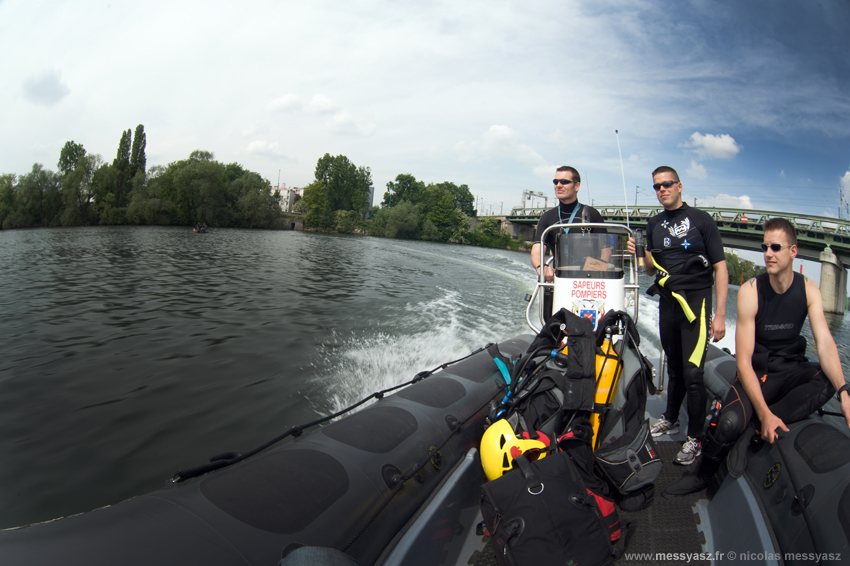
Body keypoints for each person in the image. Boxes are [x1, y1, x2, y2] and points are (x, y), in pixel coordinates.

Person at [665, 217, 850, 495]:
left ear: (793, 251)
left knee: (827, 381)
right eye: (765, 247)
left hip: (789, 370)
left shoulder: (809, 289)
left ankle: (751, 432)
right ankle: (702, 475)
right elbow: (743, 360)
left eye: (776, 247)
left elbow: (825, 343)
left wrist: (844, 392)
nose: (768, 253)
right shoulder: (751, 291)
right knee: (727, 425)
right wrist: (764, 415)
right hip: (756, 372)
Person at [627, 166, 728, 465]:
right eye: (657, 186)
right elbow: (649, 270)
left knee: (692, 372)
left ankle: (694, 438)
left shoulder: (701, 220)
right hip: (667, 303)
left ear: (680, 186)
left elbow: (720, 267)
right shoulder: (653, 223)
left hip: (696, 305)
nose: (662, 190)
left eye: (667, 184)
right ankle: (670, 418)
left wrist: (719, 314)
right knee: (673, 366)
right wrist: (641, 254)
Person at [530, 166, 609, 284]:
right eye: (555, 182)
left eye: (564, 182)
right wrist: (542, 266)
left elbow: (606, 251)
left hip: (589, 283)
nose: (559, 185)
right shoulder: (547, 217)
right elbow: (537, 250)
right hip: (560, 282)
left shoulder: (592, 215)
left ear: (576, 186)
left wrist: (594, 273)